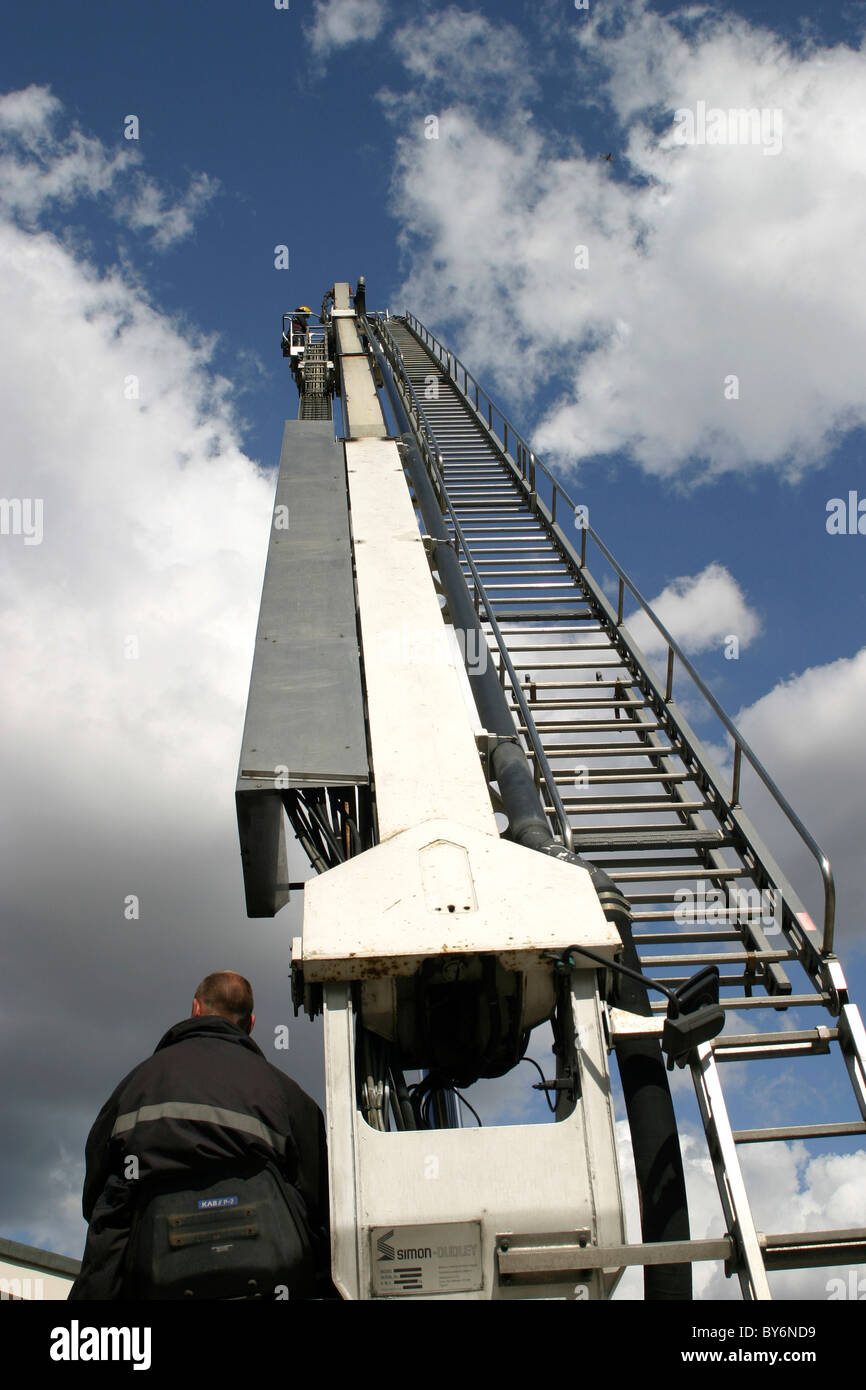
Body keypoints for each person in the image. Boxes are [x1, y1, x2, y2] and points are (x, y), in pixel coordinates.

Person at [68, 971, 331, 1300]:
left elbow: (95, 1190)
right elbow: (321, 1195)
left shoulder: (136, 1085)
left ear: (195, 1008)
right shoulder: (286, 1094)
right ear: (250, 1023)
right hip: (271, 1279)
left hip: (150, 1279)